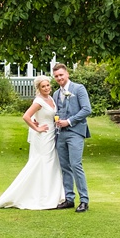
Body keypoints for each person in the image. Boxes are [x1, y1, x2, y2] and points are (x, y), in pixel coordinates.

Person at [0, 75, 66, 210]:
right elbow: (26, 116)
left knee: (51, 164)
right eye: (43, 86)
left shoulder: (50, 98)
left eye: (47, 85)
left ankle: (50, 195)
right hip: (43, 137)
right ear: (38, 88)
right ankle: (40, 197)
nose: (46, 88)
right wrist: (37, 128)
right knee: (42, 163)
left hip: (51, 135)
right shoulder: (39, 101)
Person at [51, 63, 91, 212]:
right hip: (60, 134)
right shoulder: (56, 94)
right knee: (65, 167)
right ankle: (69, 199)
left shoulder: (78, 88)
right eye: (56, 76)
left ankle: (84, 200)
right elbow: (55, 112)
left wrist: (68, 121)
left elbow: (87, 109)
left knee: (75, 164)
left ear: (67, 74)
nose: (59, 78)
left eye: (61, 75)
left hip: (75, 132)